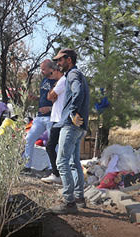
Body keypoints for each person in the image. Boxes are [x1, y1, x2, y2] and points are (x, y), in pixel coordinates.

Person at [50, 48, 90, 214]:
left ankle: (69, 202)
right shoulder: (77, 74)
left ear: (69, 59)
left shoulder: (73, 74)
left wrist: (73, 112)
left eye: (60, 60)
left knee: (62, 162)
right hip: (79, 126)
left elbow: (78, 92)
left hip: (71, 124)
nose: (58, 63)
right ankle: (79, 197)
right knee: (73, 162)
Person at [22, 59, 57, 173]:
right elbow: (44, 96)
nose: (41, 71)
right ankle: (26, 165)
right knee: (29, 138)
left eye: (43, 69)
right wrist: (36, 98)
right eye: (41, 69)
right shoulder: (44, 80)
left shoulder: (57, 81)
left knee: (52, 142)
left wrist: (50, 108)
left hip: (51, 117)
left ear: (51, 69)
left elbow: (61, 101)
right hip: (40, 116)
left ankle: (53, 168)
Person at [41, 68, 66, 185]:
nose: (52, 75)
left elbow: (50, 97)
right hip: (57, 119)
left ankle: (57, 174)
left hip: (60, 120)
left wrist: (53, 90)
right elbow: (50, 97)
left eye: (53, 73)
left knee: (51, 146)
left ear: (58, 71)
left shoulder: (62, 81)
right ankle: (58, 174)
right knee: (53, 147)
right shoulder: (61, 82)